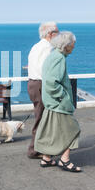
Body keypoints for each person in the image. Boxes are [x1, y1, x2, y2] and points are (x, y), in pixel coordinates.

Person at [34, 31, 82, 172]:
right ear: (66, 45)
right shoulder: (59, 58)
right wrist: (63, 97)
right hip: (58, 103)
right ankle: (64, 161)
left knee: (51, 131)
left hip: (51, 102)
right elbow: (51, 82)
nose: (74, 46)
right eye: (72, 44)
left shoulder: (53, 55)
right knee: (73, 130)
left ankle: (46, 159)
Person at [26, 21, 59, 159]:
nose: (59, 34)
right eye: (57, 32)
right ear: (51, 34)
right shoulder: (48, 48)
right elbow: (46, 70)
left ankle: (39, 148)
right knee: (42, 119)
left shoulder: (36, 46)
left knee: (40, 117)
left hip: (32, 84)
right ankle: (35, 150)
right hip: (41, 85)